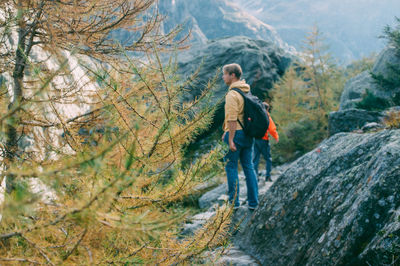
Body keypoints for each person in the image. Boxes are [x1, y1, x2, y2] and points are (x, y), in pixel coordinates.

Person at [221, 63, 258, 210]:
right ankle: (253, 203)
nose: (223, 77)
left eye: (224, 74)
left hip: (235, 134)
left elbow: (232, 118)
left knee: (231, 167)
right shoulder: (246, 91)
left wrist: (230, 138)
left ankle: (234, 203)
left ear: (232, 75)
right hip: (248, 134)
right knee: (248, 167)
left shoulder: (232, 94)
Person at [253, 103, 279, 182]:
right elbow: (271, 129)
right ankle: (268, 176)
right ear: (267, 109)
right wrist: (276, 137)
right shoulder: (266, 115)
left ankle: (255, 177)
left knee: (255, 159)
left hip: (254, 139)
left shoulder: (255, 114)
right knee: (268, 159)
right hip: (264, 139)